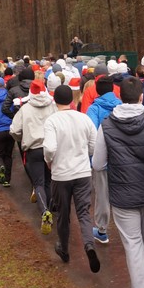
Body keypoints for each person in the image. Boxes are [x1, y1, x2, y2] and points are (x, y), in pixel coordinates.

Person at [92, 76, 144, 288]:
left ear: (120, 96)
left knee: (134, 246)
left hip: (122, 196)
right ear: (142, 97)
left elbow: (98, 164)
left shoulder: (107, 125)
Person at [43, 85, 100, 272]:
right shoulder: (84, 118)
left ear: (55, 100)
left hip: (61, 175)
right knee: (84, 212)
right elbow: (94, 144)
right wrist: (86, 154)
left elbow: (50, 148)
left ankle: (64, 249)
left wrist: (49, 161)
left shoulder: (52, 121)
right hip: (83, 172)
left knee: (64, 214)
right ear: (71, 100)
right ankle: (89, 245)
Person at [10, 80, 57, 234]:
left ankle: (44, 211)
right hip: (51, 148)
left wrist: (22, 139)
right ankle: (49, 208)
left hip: (33, 149)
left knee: (38, 183)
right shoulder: (52, 106)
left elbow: (14, 130)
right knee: (49, 181)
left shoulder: (25, 109)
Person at [86, 76, 122, 245]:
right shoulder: (122, 106)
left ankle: (102, 230)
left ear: (97, 90)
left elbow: (92, 134)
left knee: (102, 195)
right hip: (122, 158)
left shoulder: (94, 109)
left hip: (102, 158)